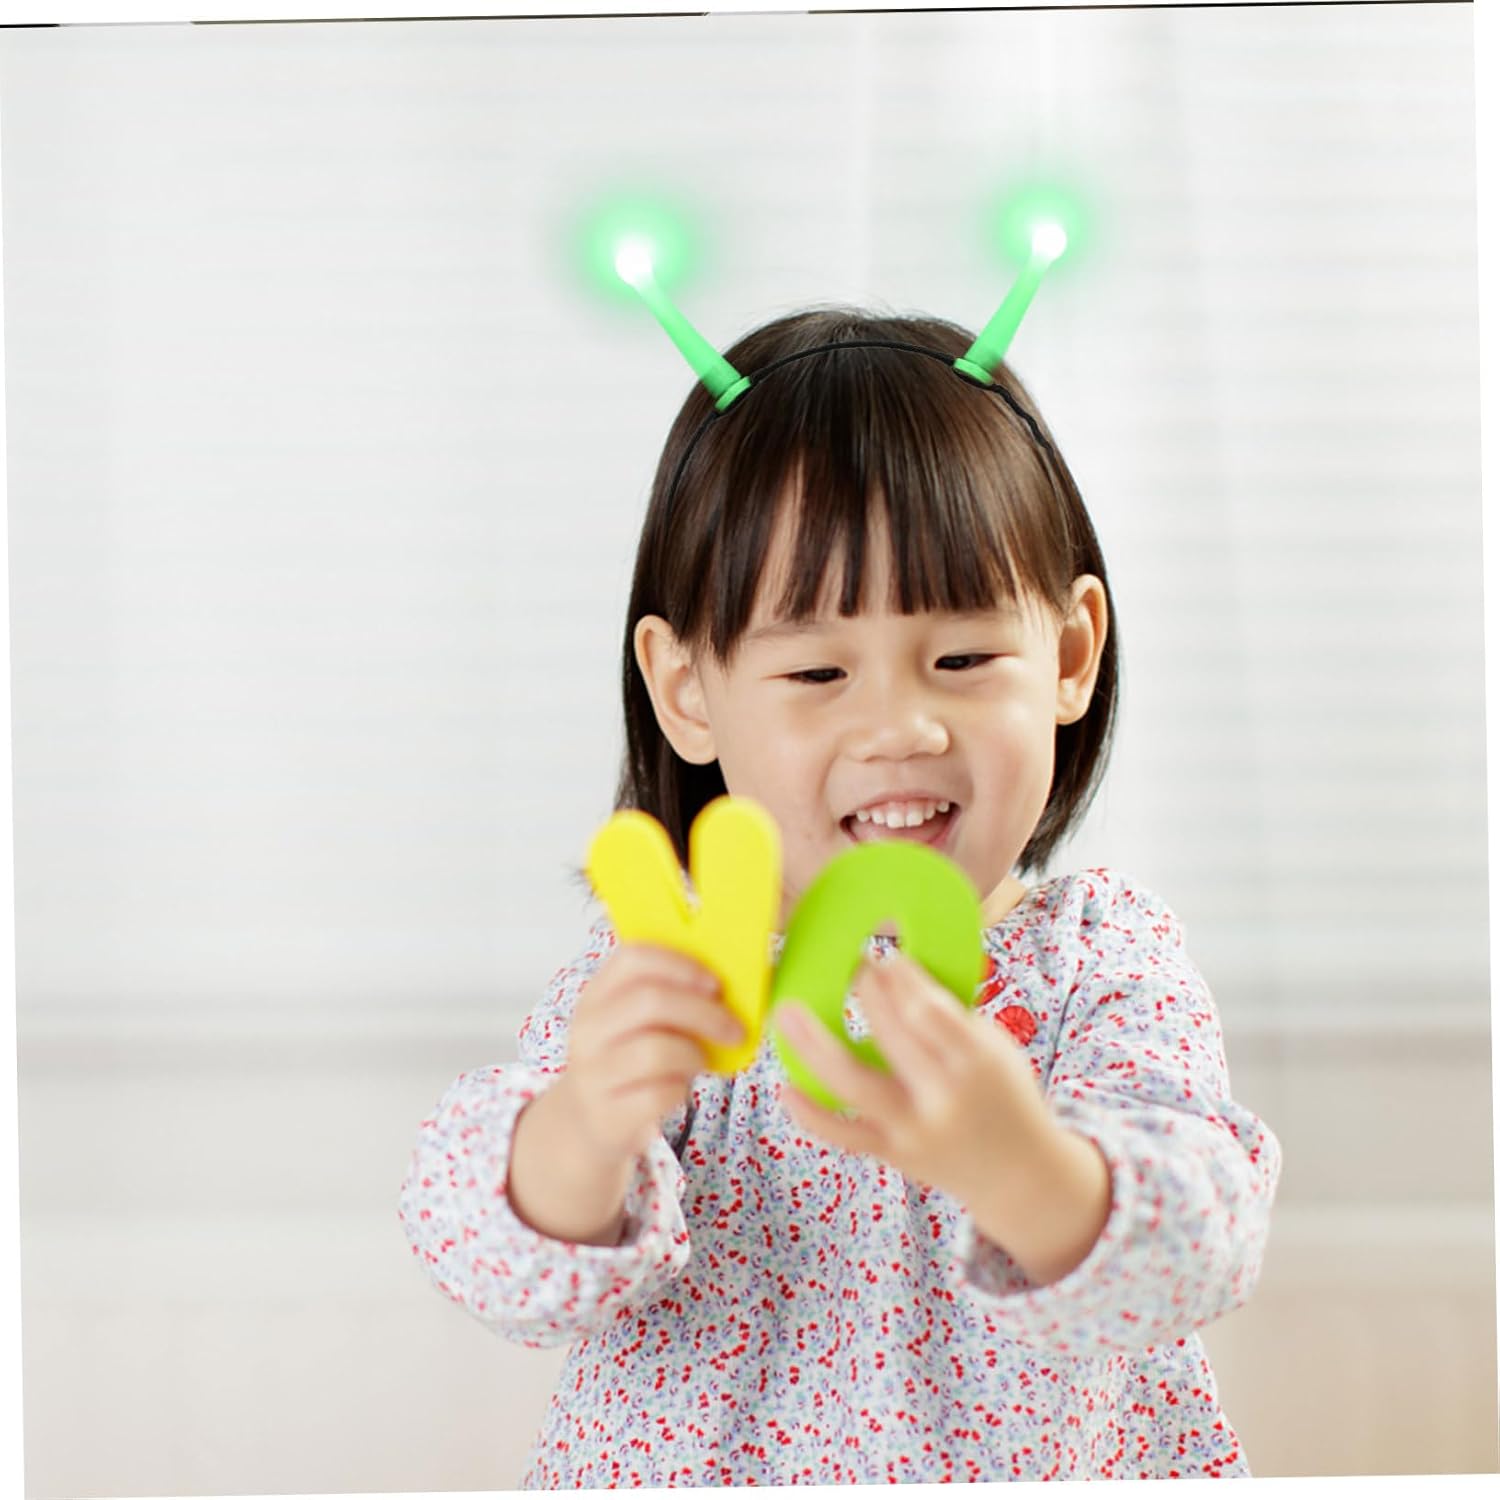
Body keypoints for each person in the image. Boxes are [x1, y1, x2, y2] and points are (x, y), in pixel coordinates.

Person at [399, 306, 1281, 1485]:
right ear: (688, 690)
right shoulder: (668, 976)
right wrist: (586, 1127)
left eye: (963, 660)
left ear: (1070, 656)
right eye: (818, 670)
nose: (901, 727)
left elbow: (1204, 1245)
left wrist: (1018, 1163)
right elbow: (493, 1267)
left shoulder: (1102, 965)